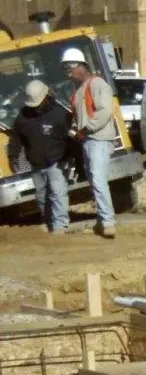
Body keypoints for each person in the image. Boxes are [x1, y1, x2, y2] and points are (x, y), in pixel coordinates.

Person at [62, 46, 118, 239]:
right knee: (95, 181)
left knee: (99, 180)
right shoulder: (79, 91)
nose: (68, 74)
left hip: (98, 139)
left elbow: (104, 111)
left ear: (80, 66)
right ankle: (102, 222)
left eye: (70, 70)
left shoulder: (97, 84)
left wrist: (85, 129)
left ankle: (108, 222)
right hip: (89, 140)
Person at [7, 80, 73, 233]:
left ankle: (60, 225)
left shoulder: (60, 114)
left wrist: (71, 157)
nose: (35, 108)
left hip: (57, 162)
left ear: (46, 97)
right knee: (42, 196)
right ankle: (49, 222)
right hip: (36, 164)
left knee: (58, 193)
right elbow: (16, 138)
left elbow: (69, 138)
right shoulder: (23, 116)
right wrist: (13, 156)